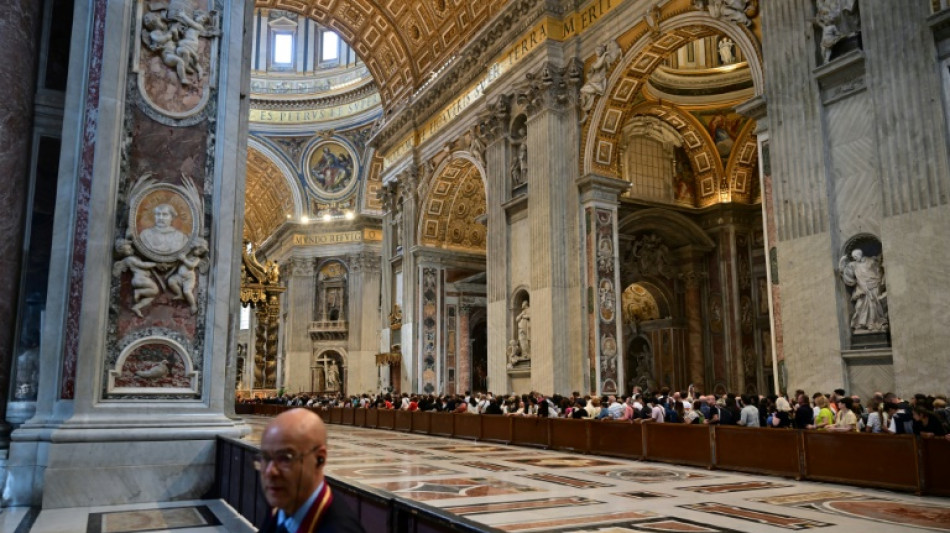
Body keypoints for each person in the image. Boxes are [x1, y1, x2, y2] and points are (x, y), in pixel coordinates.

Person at [256, 409, 364, 533]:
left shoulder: (340, 529)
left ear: (319, 459)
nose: (270, 472)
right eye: (265, 457)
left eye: (285, 458)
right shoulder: (282, 505)